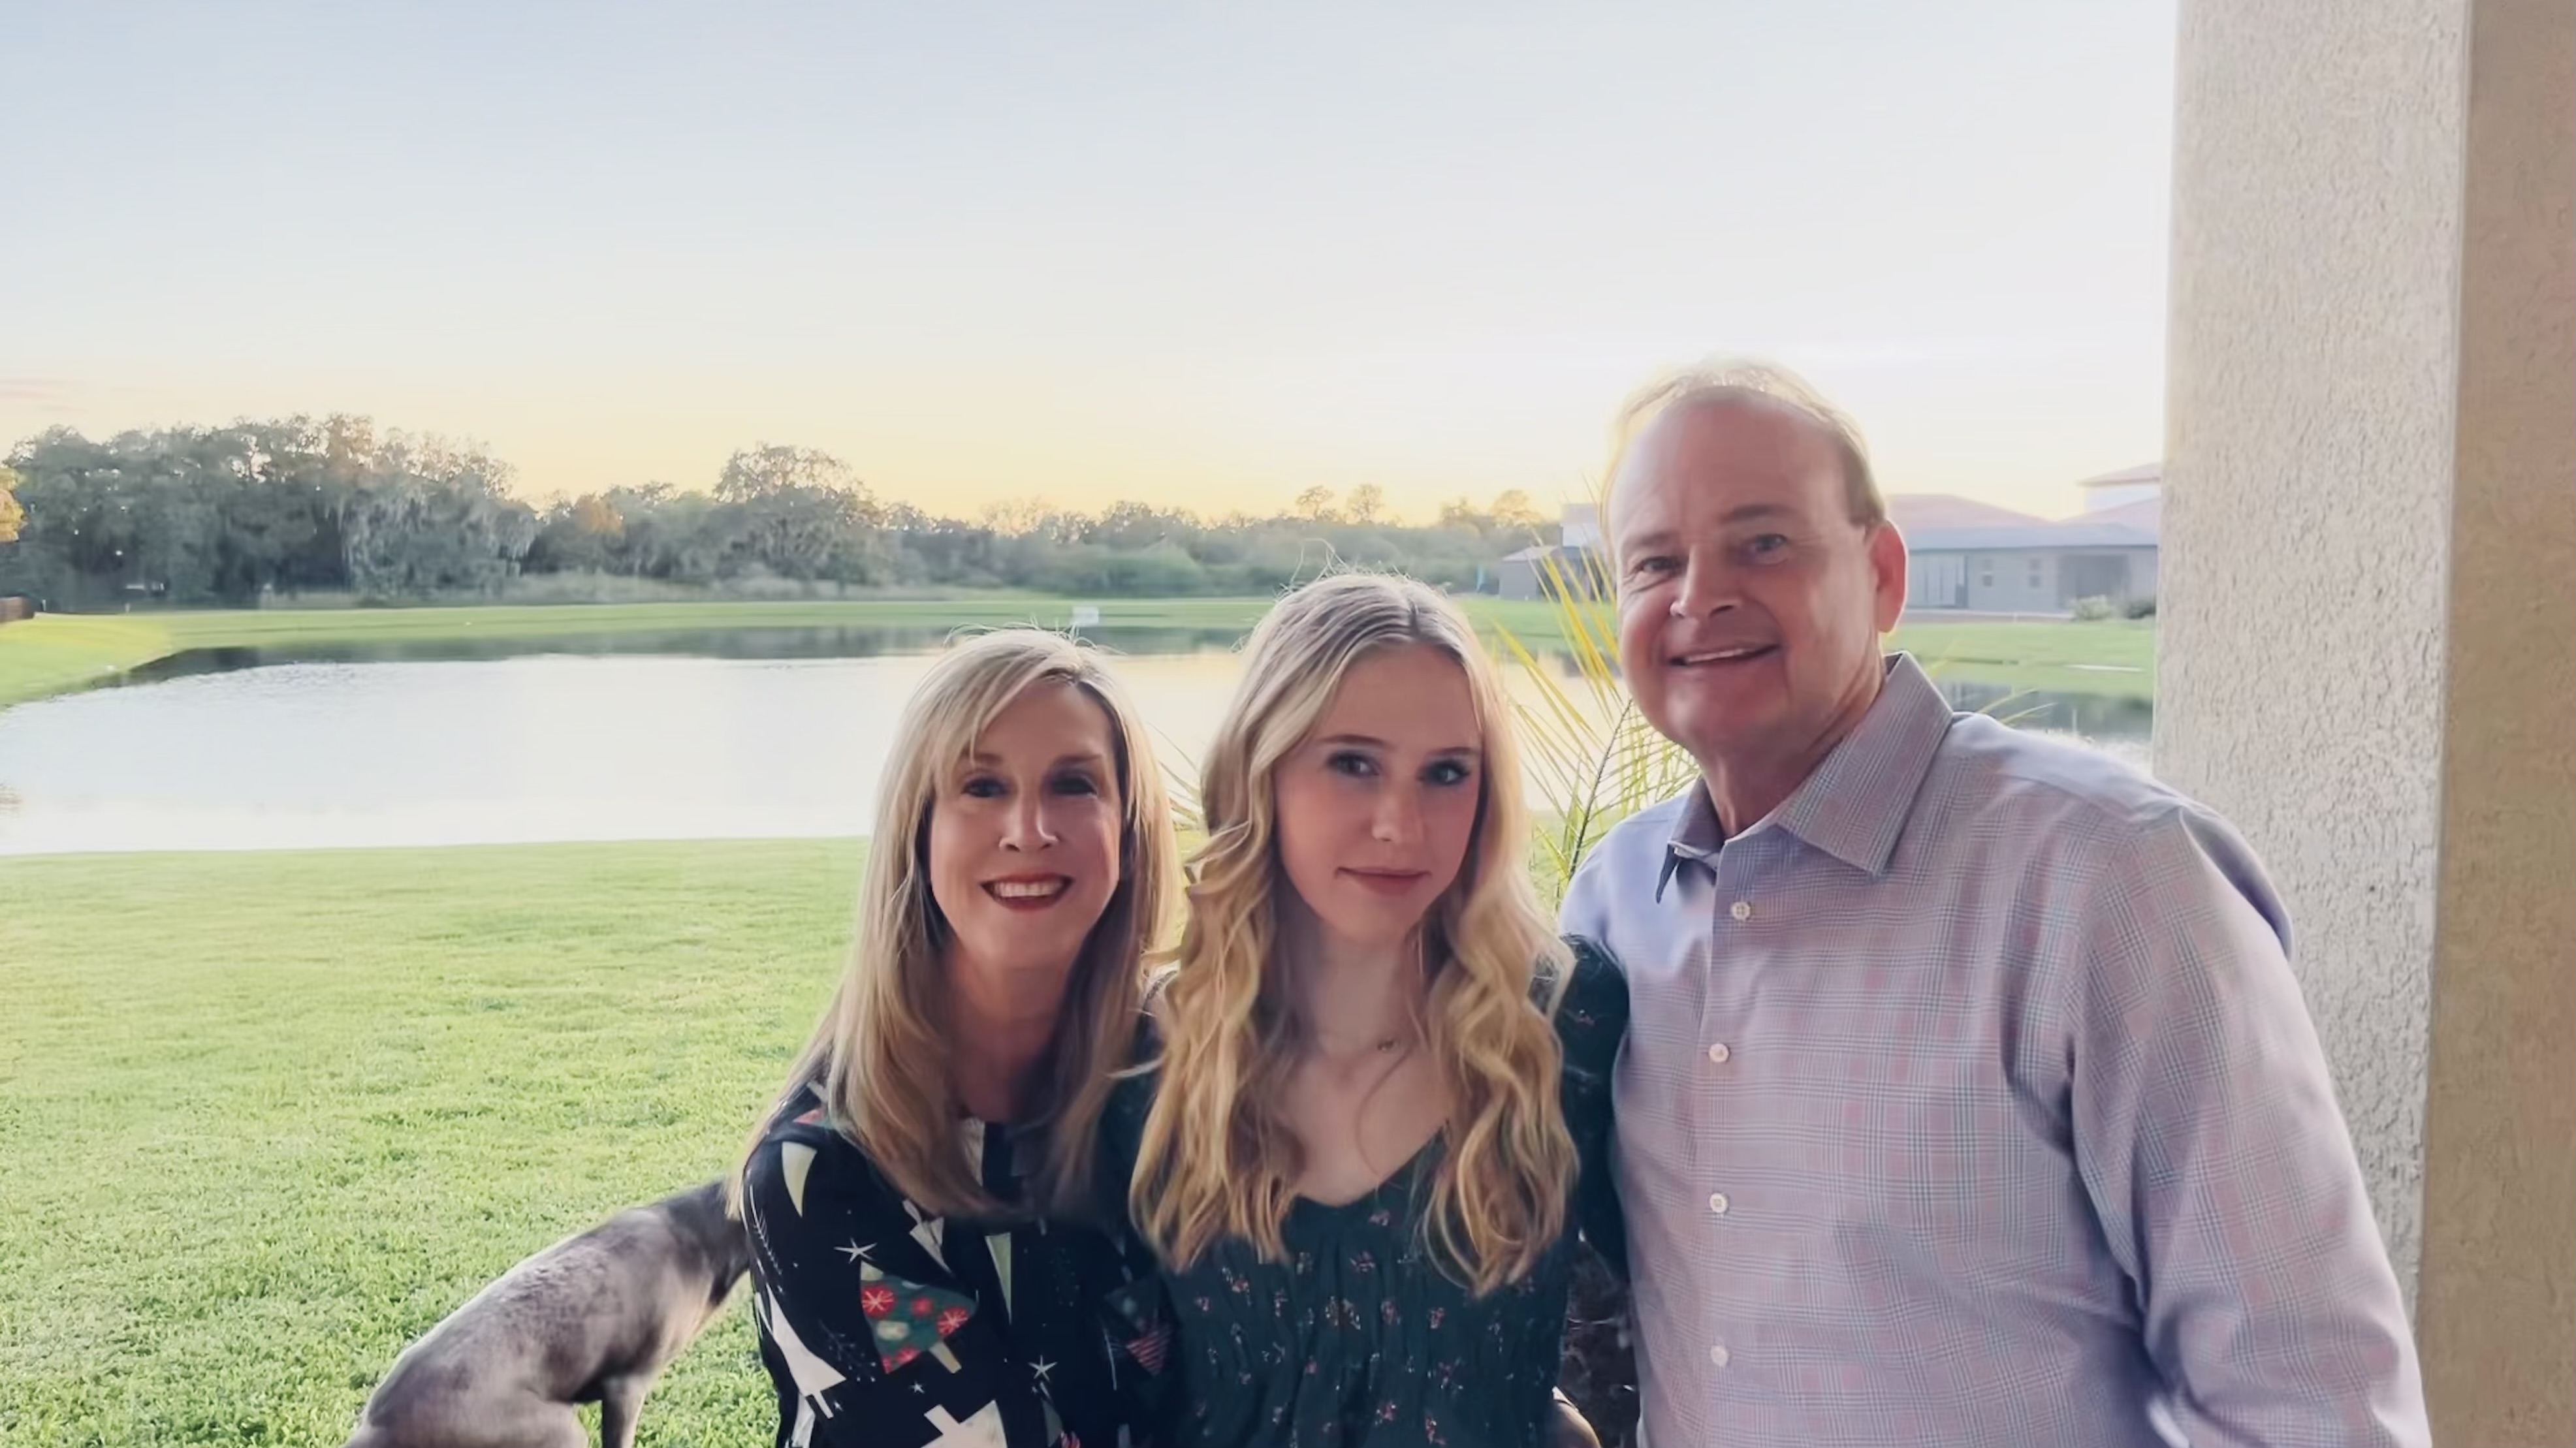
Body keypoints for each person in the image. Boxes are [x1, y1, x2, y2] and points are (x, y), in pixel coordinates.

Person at [1557, 360, 2432, 1447]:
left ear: (1882, 574)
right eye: (1655, 561)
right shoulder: (1615, 906)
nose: (1700, 595)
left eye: (1763, 542)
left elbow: (2307, 1398)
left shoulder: (2111, 880)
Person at [1100, 571, 1629, 1448]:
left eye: (1446, 773)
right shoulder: (1146, 1056)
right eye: (1353, 763)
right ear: (1261, 768)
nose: (1401, 823)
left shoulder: (1565, 1026)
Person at [729, 628, 1179, 1448]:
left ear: (1130, 829)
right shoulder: (819, 1176)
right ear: (919, 831)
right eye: (982, 785)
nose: (1029, 829)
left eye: (1074, 783)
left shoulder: (1171, 1085)